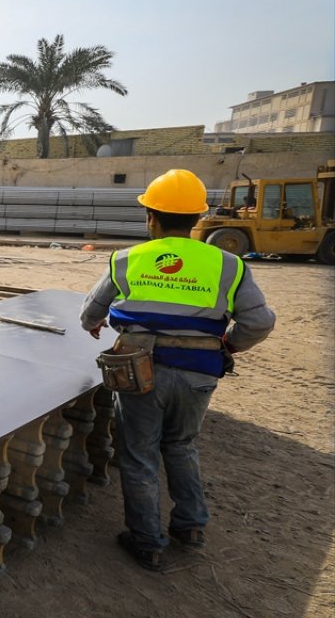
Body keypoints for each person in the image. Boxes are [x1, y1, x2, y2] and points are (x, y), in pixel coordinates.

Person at [79, 169, 274, 571]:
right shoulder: (228, 264)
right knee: (182, 445)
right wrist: (228, 343)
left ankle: (148, 541)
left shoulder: (127, 259)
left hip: (139, 372)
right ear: (198, 219)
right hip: (200, 372)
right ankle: (190, 526)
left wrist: (96, 323)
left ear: (151, 217)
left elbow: (89, 314)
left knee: (139, 455)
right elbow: (260, 322)